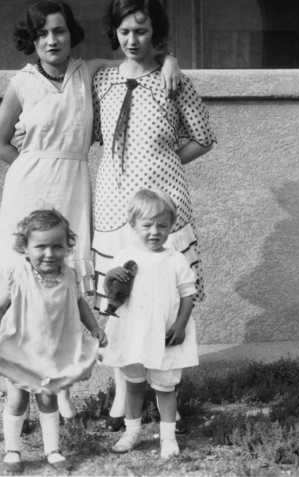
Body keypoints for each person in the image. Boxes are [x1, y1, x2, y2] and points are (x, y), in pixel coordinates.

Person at [0, 0, 181, 420]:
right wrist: (34, 167)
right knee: (27, 283)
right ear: (33, 41)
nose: (52, 40)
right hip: (28, 190)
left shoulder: (88, 71)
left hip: (74, 186)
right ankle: (24, 381)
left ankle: (63, 385)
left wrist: (171, 61)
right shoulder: (20, 83)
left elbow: (138, 56)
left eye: (58, 31)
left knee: (69, 281)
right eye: (42, 34)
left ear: (70, 34)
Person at [91, 0, 216, 432]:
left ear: (155, 32)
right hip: (112, 201)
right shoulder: (102, 79)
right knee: (118, 295)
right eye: (124, 30)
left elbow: (203, 136)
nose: (132, 39)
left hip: (163, 205)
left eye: (142, 30)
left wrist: (162, 161)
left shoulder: (173, 80)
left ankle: (166, 396)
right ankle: (124, 394)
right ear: (115, 32)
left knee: (161, 294)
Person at [0, 209, 108, 472]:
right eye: (41, 247)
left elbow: (80, 304)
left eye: (57, 246)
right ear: (25, 248)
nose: (49, 254)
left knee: (48, 399)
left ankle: (52, 449)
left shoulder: (70, 275)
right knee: (18, 400)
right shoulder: (17, 275)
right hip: (20, 349)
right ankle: (12, 450)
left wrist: (94, 328)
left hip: (51, 350)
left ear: (67, 246)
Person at [100, 189, 198, 459]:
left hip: (164, 332)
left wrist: (180, 325)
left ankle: (167, 438)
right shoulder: (124, 256)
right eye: (147, 225)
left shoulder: (176, 259)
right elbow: (113, 290)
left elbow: (189, 295)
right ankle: (131, 432)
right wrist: (110, 279)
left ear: (171, 227)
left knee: (165, 386)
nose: (155, 232)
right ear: (133, 225)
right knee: (134, 384)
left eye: (162, 226)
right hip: (133, 332)